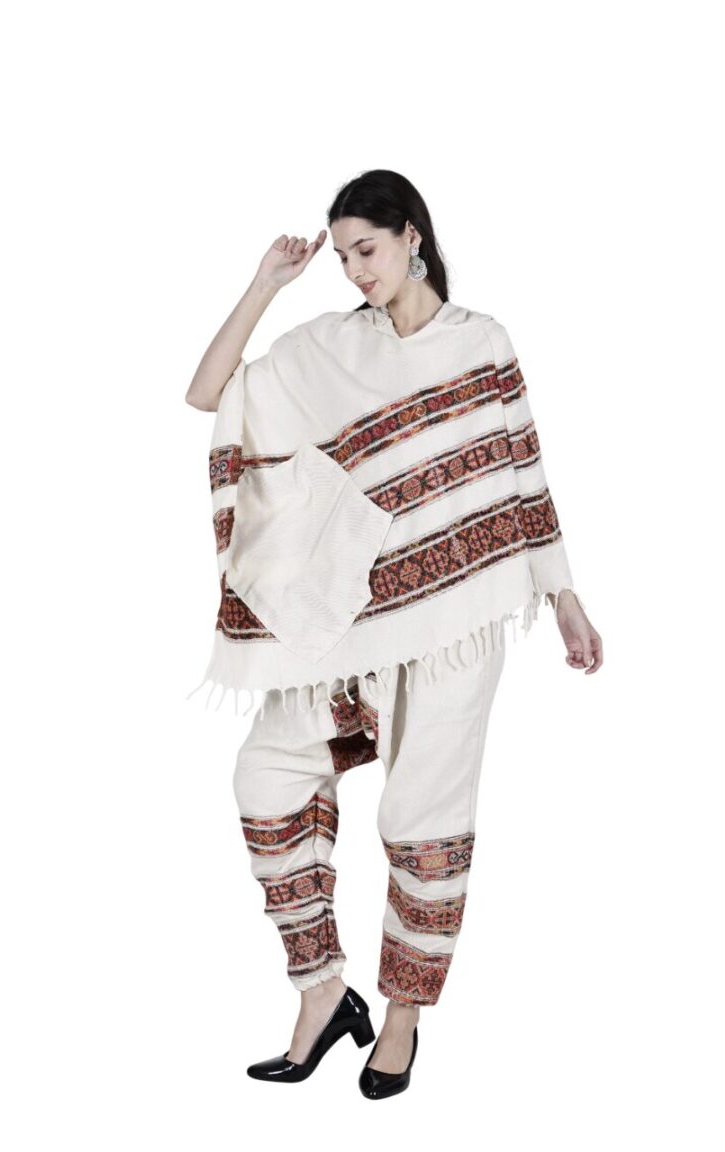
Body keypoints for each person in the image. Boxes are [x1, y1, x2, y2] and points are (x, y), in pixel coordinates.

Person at [186, 170, 603, 1099]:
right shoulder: (330, 346)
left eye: (364, 250)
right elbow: (209, 393)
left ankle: (403, 1014)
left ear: (412, 235)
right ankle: (322, 991)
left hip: (458, 625)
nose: (353, 271)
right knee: (266, 778)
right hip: (353, 628)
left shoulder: (481, 343)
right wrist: (265, 285)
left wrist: (565, 598)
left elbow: (524, 473)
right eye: (341, 258)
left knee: (422, 821)